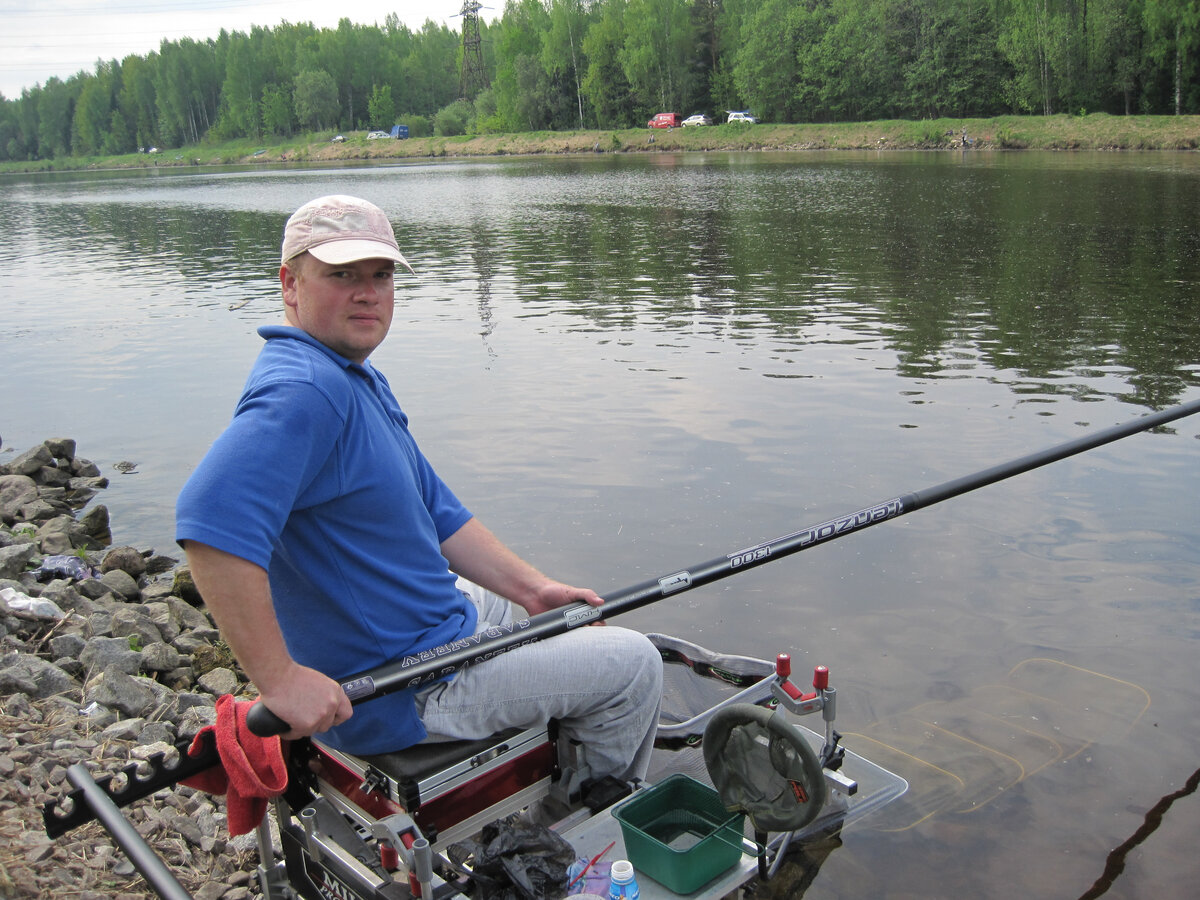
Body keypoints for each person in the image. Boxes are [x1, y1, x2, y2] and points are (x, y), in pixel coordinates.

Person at [176, 195, 663, 782]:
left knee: (543, 610)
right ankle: (580, 831)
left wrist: (535, 589)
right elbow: (209, 523)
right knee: (635, 664)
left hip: (429, 631)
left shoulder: (348, 373)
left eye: (380, 275)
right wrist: (279, 680)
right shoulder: (306, 391)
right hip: (404, 688)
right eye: (341, 275)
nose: (367, 292)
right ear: (290, 283)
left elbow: (436, 508)